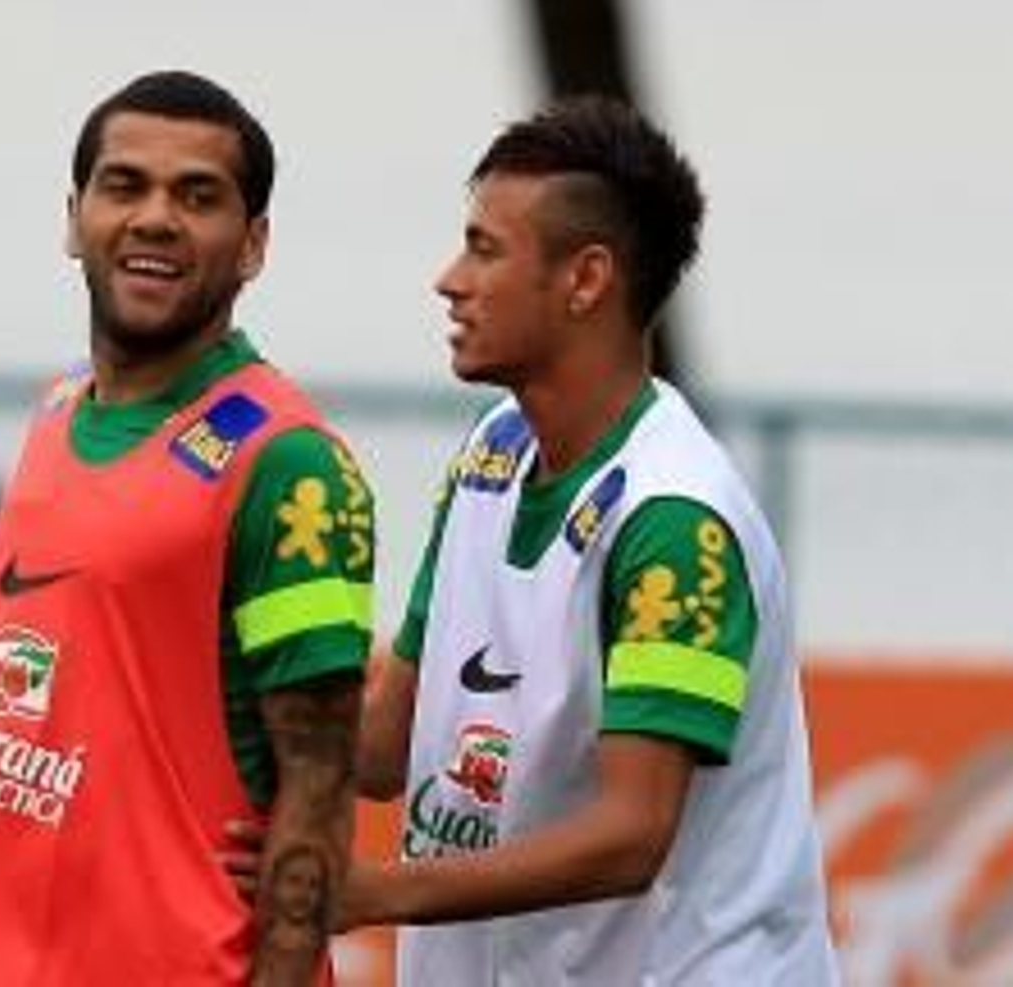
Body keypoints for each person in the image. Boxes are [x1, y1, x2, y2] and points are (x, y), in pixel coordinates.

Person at [0, 70, 373, 986]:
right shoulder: (58, 408)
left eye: (199, 196)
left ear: (253, 244)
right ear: (74, 217)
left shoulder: (289, 464)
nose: (155, 218)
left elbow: (322, 782)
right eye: (125, 185)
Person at [346, 95, 838, 983]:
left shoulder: (674, 522)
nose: (449, 278)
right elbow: (384, 745)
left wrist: (371, 890)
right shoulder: (491, 450)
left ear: (586, 280)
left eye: (484, 248)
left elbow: (630, 834)